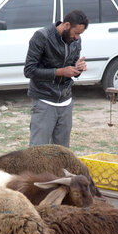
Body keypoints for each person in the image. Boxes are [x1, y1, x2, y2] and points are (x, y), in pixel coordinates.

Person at [24, 10, 89, 148]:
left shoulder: (75, 40)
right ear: (66, 25)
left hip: (66, 101)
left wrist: (78, 69)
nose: (77, 37)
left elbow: (71, 68)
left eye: (80, 34)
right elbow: (29, 70)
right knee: (37, 152)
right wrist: (60, 72)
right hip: (44, 100)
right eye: (76, 33)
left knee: (62, 153)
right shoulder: (42, 36)